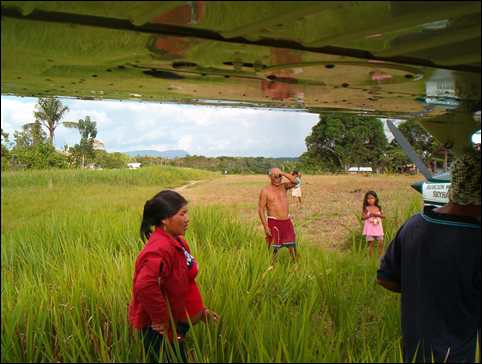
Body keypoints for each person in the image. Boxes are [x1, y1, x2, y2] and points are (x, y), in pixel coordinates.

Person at [377, 152, 481, 363]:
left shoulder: (414, 224)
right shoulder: (476, 238)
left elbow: (385, 279)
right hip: (459, 357)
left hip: (415, 353)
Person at [128, 190, 220, 363]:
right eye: (182, 214)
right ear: (164, 219)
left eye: (187, 212)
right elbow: (144, 285)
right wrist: (161, 319)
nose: (187, 218)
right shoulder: (160, 249)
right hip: (163, 334)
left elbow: (183, 284)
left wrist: (201, 312)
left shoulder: (177, 241)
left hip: (177, 329)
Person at [258, 167, 298, 263]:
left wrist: (282, 173)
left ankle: (296, 266)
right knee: (273, 249)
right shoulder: (265, 191)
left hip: (286, 222)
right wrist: (265, 226)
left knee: (292, 246)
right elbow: (261, 209)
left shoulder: (284, 186)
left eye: (279, 177)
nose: (277, 179)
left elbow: (296, 181)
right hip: (274, 222)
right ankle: (272, 267)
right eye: (275, 177)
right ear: (269, 177)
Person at [361, 191, 385, 257]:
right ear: (366, 200)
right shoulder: (366, 208)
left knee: (381, 242)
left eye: (372, 198)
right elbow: (362, 218)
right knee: (370, 244)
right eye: (368, 198)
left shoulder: (379, 207)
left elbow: (383, 216)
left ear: (376, 199)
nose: (370, 200)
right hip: (370, 229)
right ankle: (371, 259)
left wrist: (377, 214)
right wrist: (369, 215)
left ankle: (380, 257)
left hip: (378, 228)